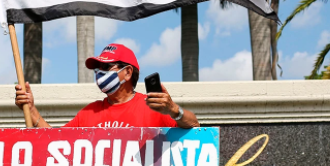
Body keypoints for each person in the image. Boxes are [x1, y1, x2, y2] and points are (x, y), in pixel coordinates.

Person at [15, 43, 199, 129]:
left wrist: (174, 109)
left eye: (105, 67)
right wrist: (31, 110)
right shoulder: (89, 112)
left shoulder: (154, 106)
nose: (99, 72)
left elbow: (195, 127)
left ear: (127, 73)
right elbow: (56, 144)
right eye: (98, 68)